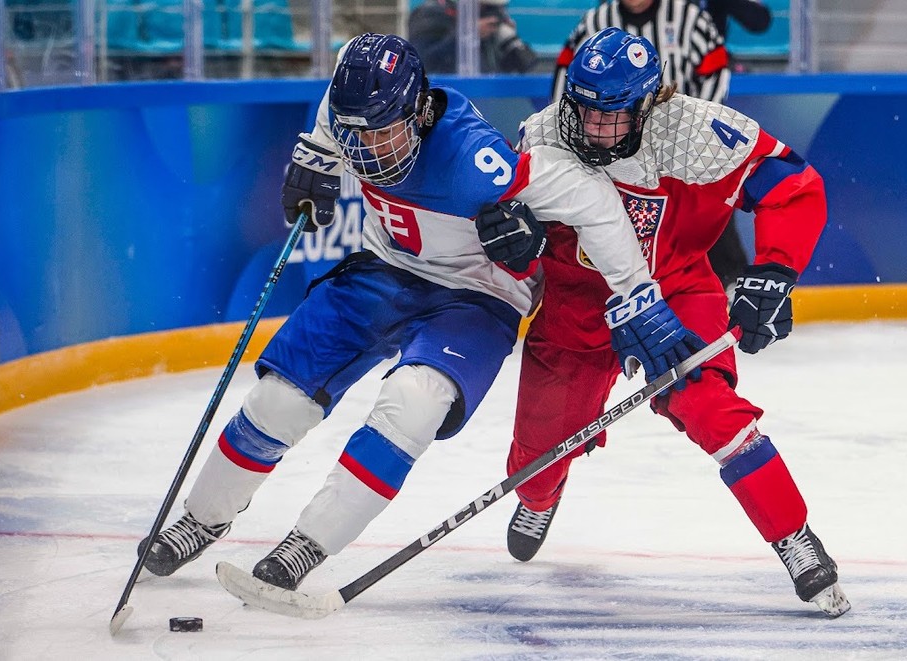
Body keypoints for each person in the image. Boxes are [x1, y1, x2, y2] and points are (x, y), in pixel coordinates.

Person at [138, 32, 697, 594]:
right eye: (356, 133)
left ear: (420, 110)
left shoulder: (477, 161)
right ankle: (200, 519)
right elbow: (335, 116)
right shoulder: (353, 110)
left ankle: (310, 542)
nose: (369, 150)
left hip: (477, 295)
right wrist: (315, 150)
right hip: (383, 271)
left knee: (412, 404)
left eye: (383, 131)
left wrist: (635, 293)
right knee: (276, 400)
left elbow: (595, 202)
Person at [489, 28, 849, 616]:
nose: (595, 128)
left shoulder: (699, 133)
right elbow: (503, 218)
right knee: (537, 455)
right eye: (586, 109)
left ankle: (794, 536)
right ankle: (540, 492)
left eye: (614, 115)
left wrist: (774, 271)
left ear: (650, 102)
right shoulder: (544, 133)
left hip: (677, 289)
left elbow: (793, 187)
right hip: (578, 304)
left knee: (710, 405)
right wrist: (516, 238)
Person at [551, 0, 749, 293]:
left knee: (706, 208)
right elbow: (568, 76)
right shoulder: (596, 21)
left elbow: (716, 69)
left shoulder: (689, 17)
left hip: (677, 142)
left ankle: (729, 282)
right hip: (612, 144)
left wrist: (697, 128)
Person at [408, 0, 538, 74]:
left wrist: (510, 41)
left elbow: (522, 67)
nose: (494, 14)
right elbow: (423, 61)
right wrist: (465, 35)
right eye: (487, 7)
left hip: (488, 96)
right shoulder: (430, 15)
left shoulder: (488, 25)